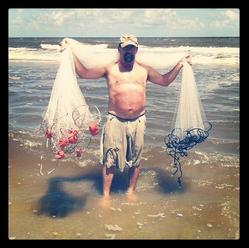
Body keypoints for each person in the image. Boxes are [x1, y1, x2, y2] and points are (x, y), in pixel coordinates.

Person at [60, 34, 191, 205]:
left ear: (136, 49)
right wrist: (70, 53)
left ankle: (131, 191)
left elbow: (165, 81)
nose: (129, 51)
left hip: (138, 121)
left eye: (132, 48)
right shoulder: (110, 68)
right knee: (109, 160)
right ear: (119, 49)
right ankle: (106, 196)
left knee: (136, 159)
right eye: (125, 48)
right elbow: (83, 73)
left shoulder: (144, 69)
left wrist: (180, 66)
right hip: (115, 120)